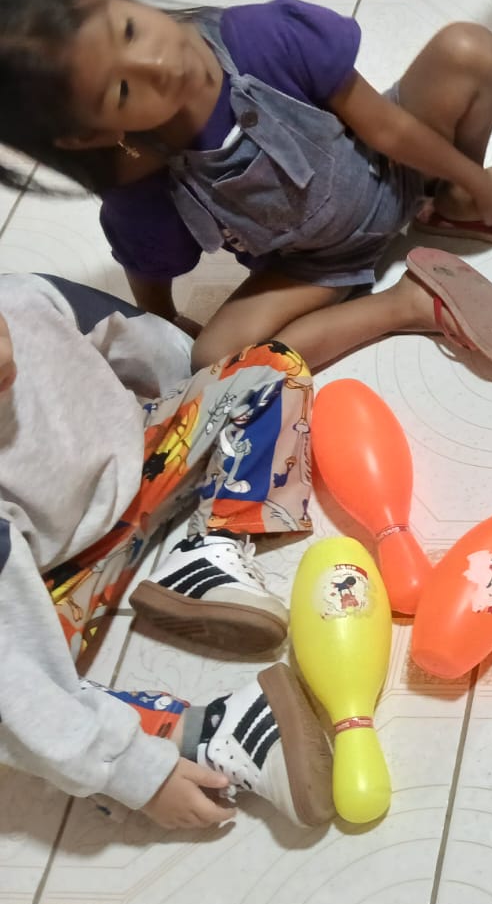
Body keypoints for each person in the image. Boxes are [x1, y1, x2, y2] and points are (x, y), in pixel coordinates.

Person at [0, 0, 492, 373]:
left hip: (391, 167)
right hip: (316, 265)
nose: (159, 65)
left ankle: (451, 202)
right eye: (123, 91)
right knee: (214, 360)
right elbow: (146, 262)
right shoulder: (140, 176)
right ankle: (408, 305)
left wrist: (474, 178)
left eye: (128, 31)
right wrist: (164, 321)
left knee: (469, 49)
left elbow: (388, 128)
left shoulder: (259, 34)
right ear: (88, 136)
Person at [0, 272, 333, 830]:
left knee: (271, 365)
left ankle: (209, 549)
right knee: (19, 702)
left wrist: (198, 388)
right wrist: (134, 774)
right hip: (46, 583)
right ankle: (202, 732)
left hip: (151, 458)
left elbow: (152, 344)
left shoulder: (26, 299)